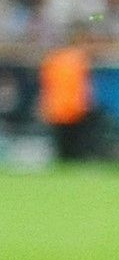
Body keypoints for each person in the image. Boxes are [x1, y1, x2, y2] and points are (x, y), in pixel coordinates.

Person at [39, 29, 99, 163]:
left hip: (57, 107)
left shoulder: (53, 58)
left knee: (62, 147)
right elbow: (84, 86)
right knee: (76, 147)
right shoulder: (79, 59)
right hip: (74, 108)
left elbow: (46, 84)